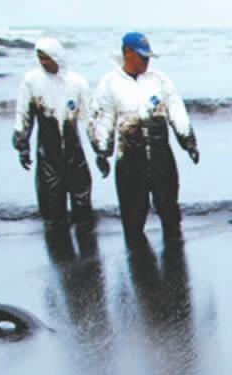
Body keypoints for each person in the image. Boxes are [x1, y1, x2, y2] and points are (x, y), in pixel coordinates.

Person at [89, 31, 199, 243]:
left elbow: (176, 110)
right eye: (142, 56)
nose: (147, 61)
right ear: (127, 53)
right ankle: (138, 265)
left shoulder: (159, 80)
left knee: (169, 211)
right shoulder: (110, 83)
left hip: (160, 155)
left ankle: (175, 265)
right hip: (130, 157)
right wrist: (102, 152)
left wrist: (188, 142)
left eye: (148, 57)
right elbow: (103, 118)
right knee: (133, 217)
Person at [11, 37, 94, 226]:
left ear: (57, 57)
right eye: (40, 58)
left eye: (47, 58)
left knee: (83, 208)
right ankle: (58, 248)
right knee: (51, 212)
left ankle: (87, 248)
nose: (43, 62)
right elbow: (24, 113)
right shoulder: (32, 81)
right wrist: (22, 145)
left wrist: (101, 151)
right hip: (48, 155)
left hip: (74, 154)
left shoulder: (77, 83)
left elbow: (90, 119)